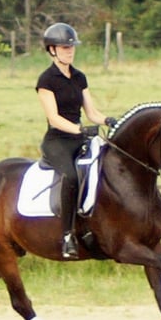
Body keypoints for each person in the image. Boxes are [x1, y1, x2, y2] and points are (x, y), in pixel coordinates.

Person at [35, 22, 117, 259]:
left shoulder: (79, 77)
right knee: (71, 176)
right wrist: (79, 129)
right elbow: (54, 118)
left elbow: (91, 112)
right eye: (64, 48)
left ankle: (93, 226)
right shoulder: (46, 80)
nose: (70, 51)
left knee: (103, 168)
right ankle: (67, 236)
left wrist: (109, 120)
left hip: (80, 138)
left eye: (71, 48)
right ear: (52, 50)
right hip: (58, 141)